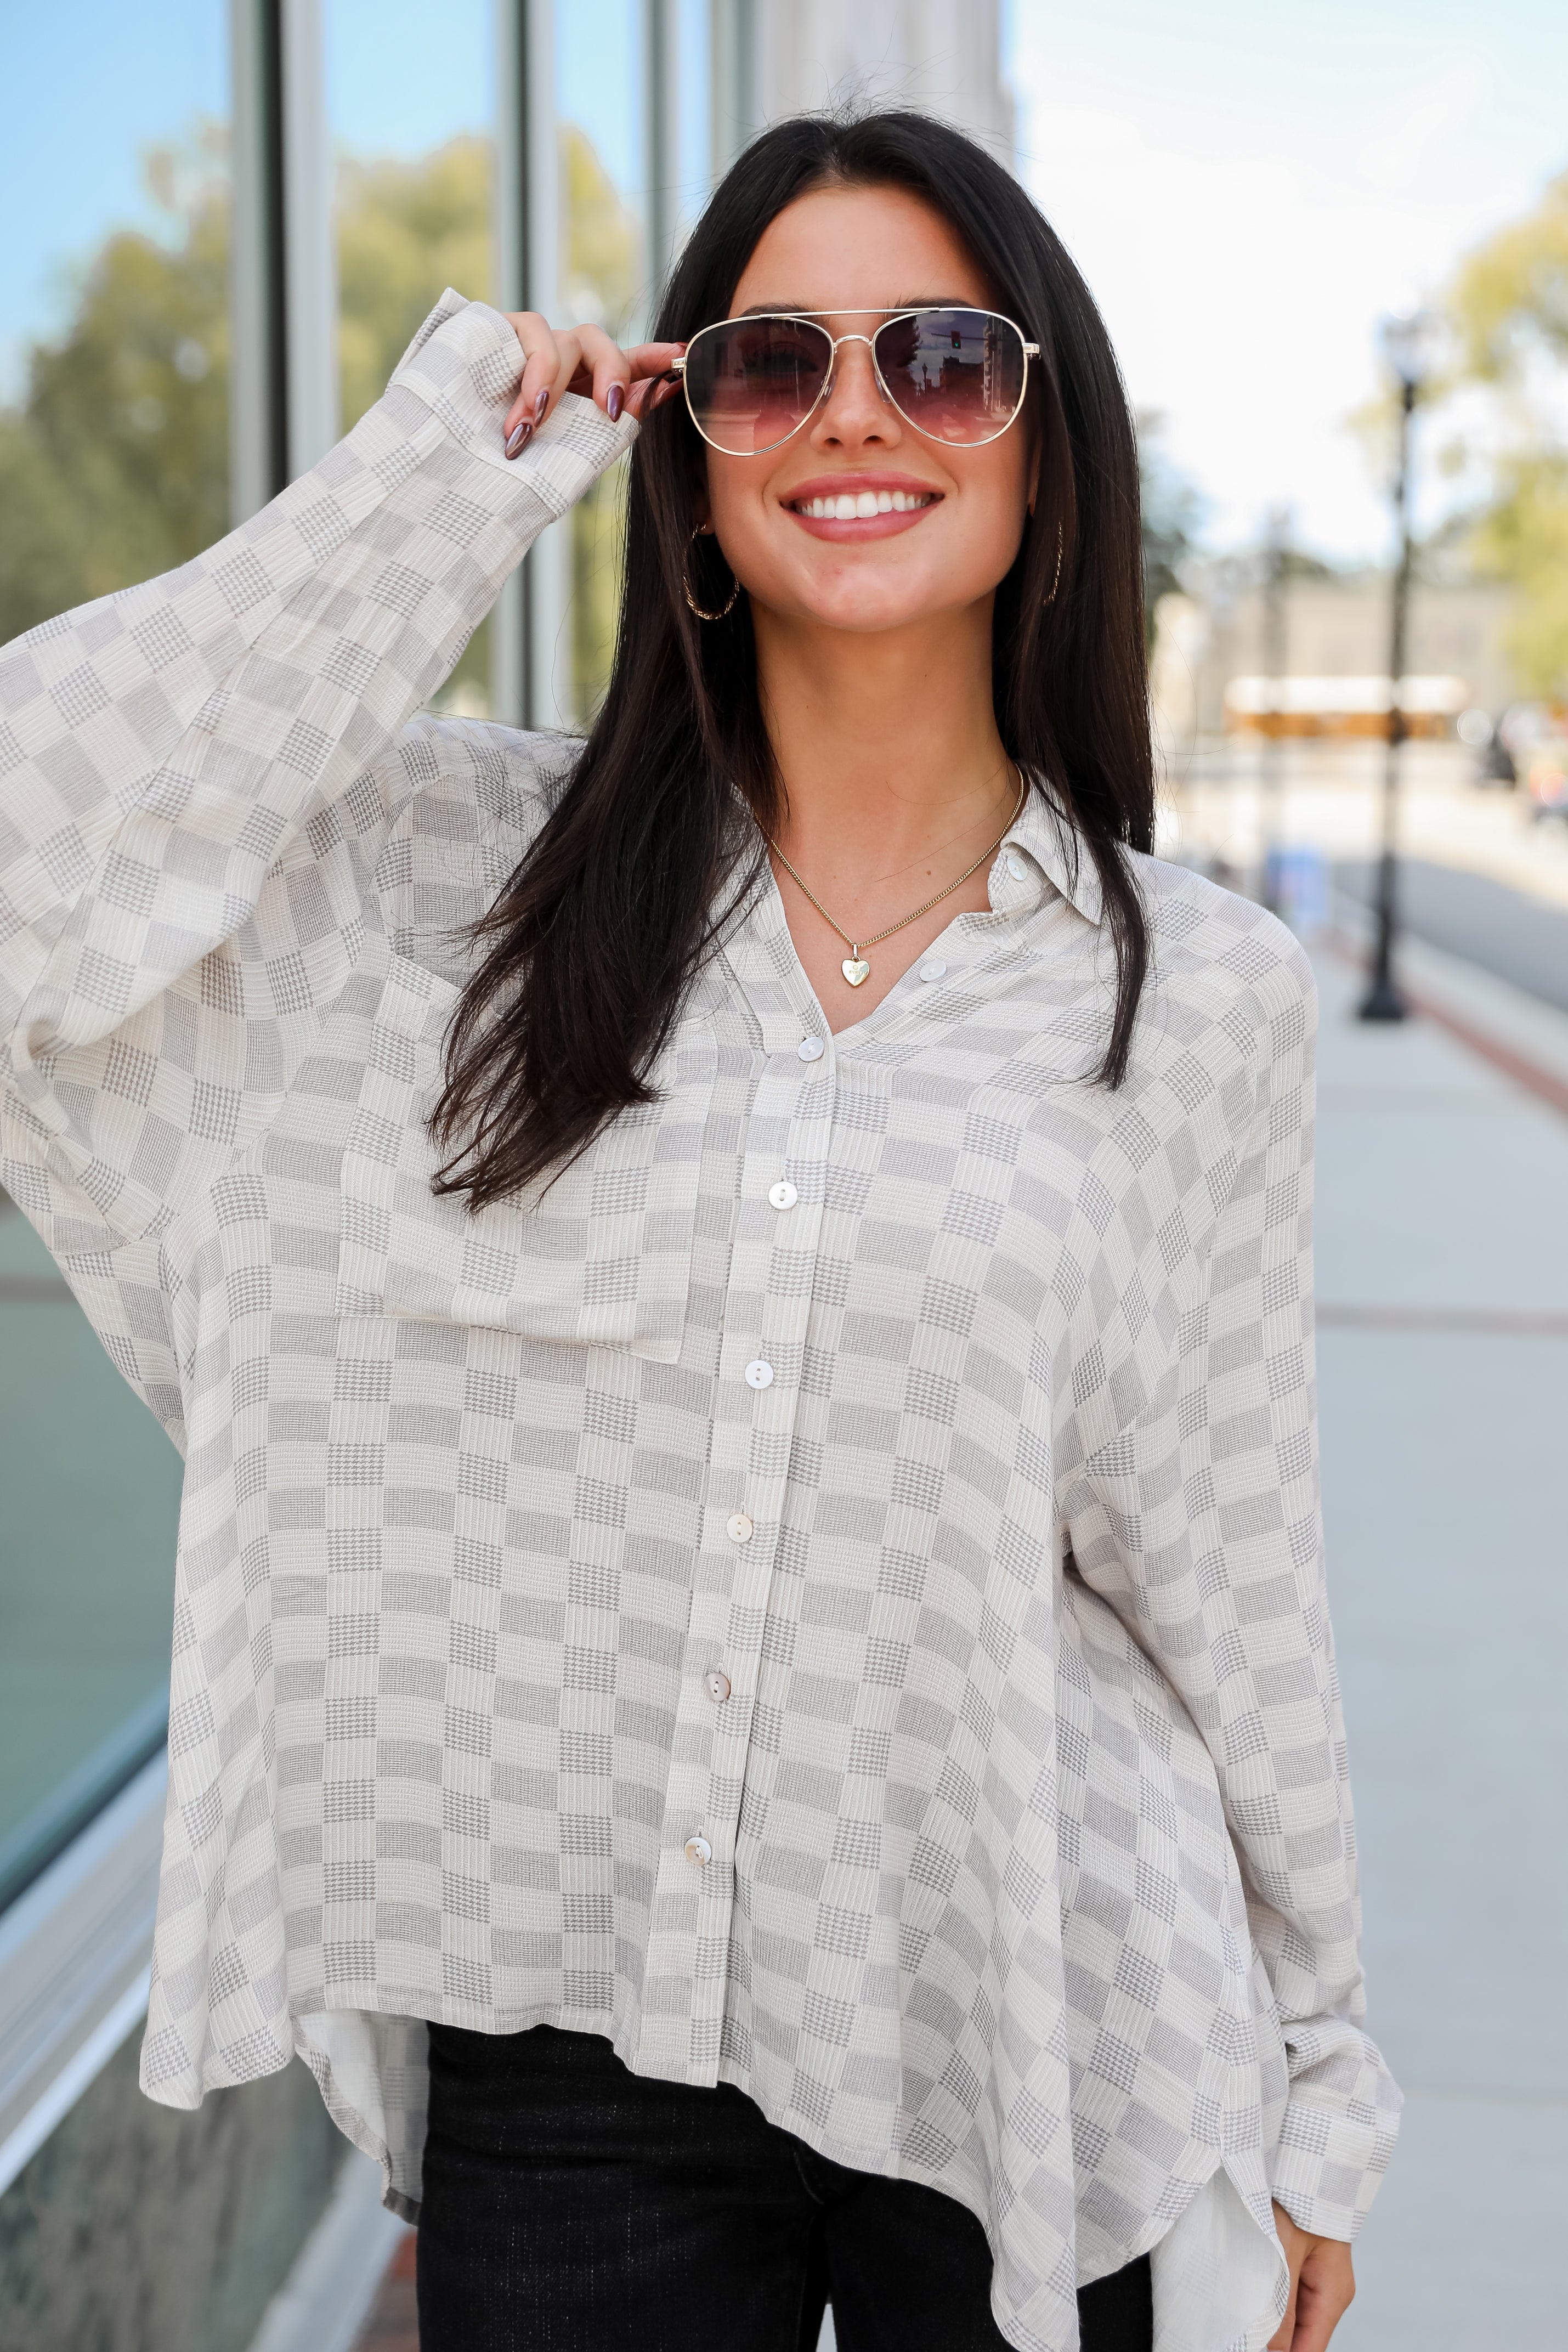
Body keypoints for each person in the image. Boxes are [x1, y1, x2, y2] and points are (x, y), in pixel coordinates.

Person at [0, 110, 1397, 2352]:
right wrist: (434, 481)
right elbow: (26, 865)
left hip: (1031, 1993)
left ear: (1047, 448)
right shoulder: (452, 884)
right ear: (693, 447)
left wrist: (1321, 2056)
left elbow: (1225, 1560)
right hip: (566, 2037)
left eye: (941, 356)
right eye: (770, 361)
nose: (853, 411)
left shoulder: (1194, 992)